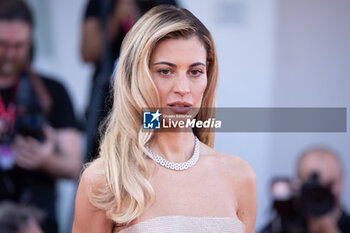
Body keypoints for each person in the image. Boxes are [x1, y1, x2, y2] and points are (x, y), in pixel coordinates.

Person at [73, 5, 257, 233]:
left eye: (195, 72)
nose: (182, 88)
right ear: (137, 78)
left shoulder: (240, 175)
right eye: (165, 71)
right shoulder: (104, 180)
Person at [0, 0, 82, 232]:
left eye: (19, 45)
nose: (9, 54)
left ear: (31, 42)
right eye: (2, 44)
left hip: (39, 219)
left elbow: (76, 166)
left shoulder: (52, 91)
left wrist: (47, 160)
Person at [81, 0, 178, 161]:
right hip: (109, 103)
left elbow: (179, 49)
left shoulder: (167, 3)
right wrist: (115, 19)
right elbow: (88, 52)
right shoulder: (102, 4)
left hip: (154, 100)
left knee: (155, 156)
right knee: (107, 160)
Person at [297, 147, 350, 233]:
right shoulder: (280, 228)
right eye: (314, 186)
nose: (320, 193)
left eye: (330, 183)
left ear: (342, 180)